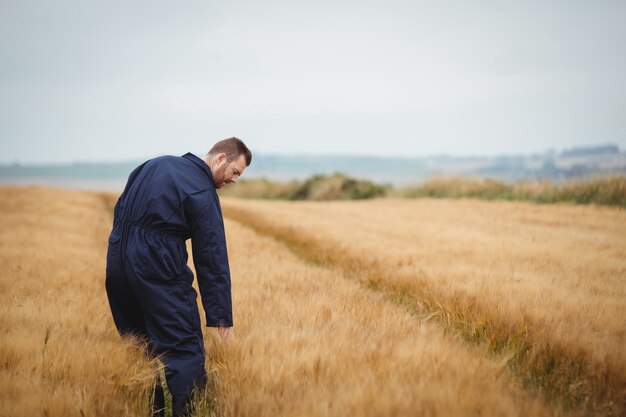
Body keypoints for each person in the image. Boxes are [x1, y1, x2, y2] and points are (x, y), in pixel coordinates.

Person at [105, 137, 251, 417]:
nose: (234, 180)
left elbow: (121, 208)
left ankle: (148, 410)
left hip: (118, 262)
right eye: (235, 172)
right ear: (220, 159)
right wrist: (221, 318)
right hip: (157, 266)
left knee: (138, 345)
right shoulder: (202, 191)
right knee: (184, 347)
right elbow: (211, 256)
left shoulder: (153, 165)